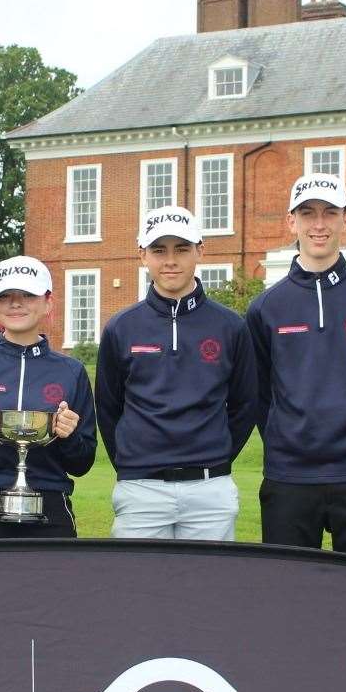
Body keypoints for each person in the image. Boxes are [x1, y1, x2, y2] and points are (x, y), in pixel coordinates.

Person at [245, 174, 346, 559]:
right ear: (291, 222)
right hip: (289, 478)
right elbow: (259, 393)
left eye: (329, 213)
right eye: (308, 213)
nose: (319, 224)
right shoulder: (267, 307)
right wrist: (286, 437)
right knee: (291, 600)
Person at [96, 205, 258, 540]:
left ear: (200, 250)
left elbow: (245, 404)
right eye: (159, 250)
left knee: (206, 590)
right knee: (138, 590)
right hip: (141, 489)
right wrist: (133, 464)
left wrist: (217, 456)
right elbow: (108, 408)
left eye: (181, 249)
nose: (170, 260)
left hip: (210, 488)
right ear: (143, 256)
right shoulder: (121, 327)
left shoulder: (230, 326)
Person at [0, 256, 96, 538]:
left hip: (51, 503)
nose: (16, 303)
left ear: (48, 302)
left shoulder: (71, 371)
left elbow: (82, 464)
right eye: (5, 296)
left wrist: (69, 436)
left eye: (27, 294)